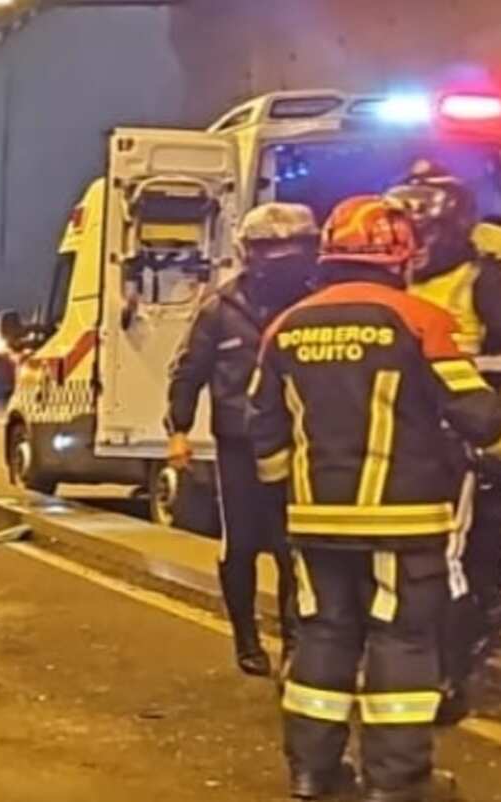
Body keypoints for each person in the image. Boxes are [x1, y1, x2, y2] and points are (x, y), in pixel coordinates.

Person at [249, 195, 501, 802]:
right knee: (402, 644)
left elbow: (263, 429)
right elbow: (479, 418)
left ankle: (313, 775)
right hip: (405, 519)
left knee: (322, 641)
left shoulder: (286, 327)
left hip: (313, 522)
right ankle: (397, 784)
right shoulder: (420, 320)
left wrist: (292, 489)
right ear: (399, 255)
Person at [165, 202, 316, 677]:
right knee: (243, 544)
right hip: (240, 445)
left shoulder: (317, 303)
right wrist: (179, 431)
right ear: (249, 252)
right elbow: (188, 372)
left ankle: (296, 640)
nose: (282, 259)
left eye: (294, 248)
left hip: (304, 445)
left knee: (297, 548)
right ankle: (246, 639)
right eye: (271, 248)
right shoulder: (220, 309)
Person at [389, 167, 501, 722]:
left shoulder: (485, 282)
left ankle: (451, 679)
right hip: (418, 447)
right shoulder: (399, 285)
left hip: (474, 449)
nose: (413, 244)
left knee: (464, 568)